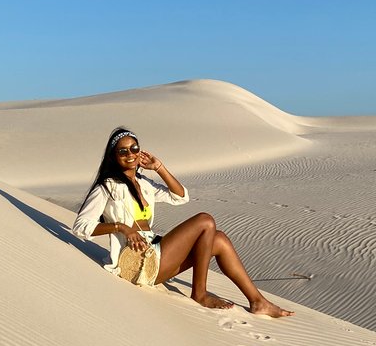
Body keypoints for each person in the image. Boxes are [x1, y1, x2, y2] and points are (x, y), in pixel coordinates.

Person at [73, 127, 293, 317]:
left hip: (156, 253)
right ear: (113, 156)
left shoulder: (144, 183)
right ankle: (199, 293)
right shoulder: (106, 187)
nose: (130, 154)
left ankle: (257, 302)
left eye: (134, 148)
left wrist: (159, 167)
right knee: (205, 220)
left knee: (220, 240)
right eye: (122, 151)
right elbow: (80, 228)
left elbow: (180, 196)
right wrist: (122, 228)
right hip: (137, 263)